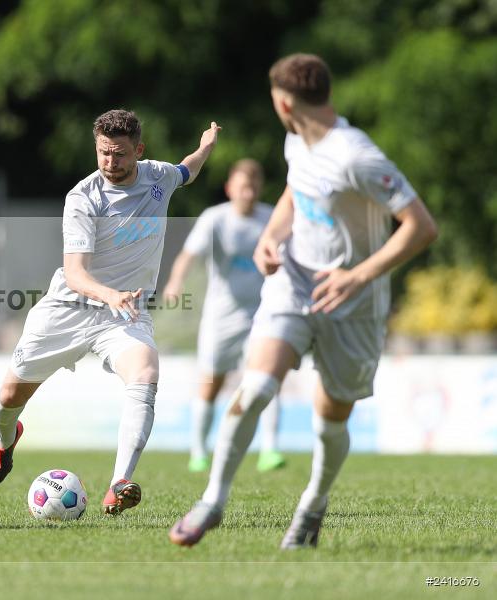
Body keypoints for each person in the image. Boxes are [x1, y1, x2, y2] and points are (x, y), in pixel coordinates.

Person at [169, 54, 437, 549]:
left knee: (328, 421)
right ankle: (212, 500)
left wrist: (357, 275)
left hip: (354, 303)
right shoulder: (297, 141)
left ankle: (313, 504)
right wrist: (271, 235)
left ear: (284, 101)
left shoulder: (358, 156)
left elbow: (421, 226)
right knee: (254, 387)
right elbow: (295, 192)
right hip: (292, 286)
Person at [0, 109, 221, 515]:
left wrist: (205, 147)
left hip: (124, 312)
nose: (111, 163)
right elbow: (76, 273)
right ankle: (5, 441)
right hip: (68, 307)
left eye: (120, 155)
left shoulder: (158, 177)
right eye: (103, 153)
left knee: (145, 372)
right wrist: (109, 294)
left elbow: (187, 171)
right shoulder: (83, 197)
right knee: (8, 398)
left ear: (139, 151)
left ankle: (119, 483)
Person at [162, 159, 285, 474]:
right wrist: (175, 281)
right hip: (221, 318)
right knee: (211, 384)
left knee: (266, 381)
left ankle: (270, 449)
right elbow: (188, 254)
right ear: (230, 188)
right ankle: (199, 451)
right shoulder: (214, 219)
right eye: (243, 186)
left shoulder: (272, 218)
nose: (249, 192)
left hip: (261, 316)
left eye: (254, 186)